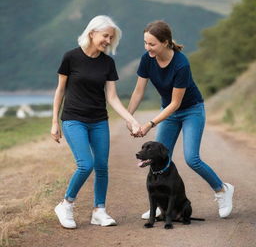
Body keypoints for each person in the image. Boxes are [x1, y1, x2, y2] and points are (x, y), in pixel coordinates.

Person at [127, 20, 234, 219]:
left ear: (166, 42)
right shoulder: (147, 59)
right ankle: (161, 205)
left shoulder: (181, 64)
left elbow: (175, 104)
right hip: (169, 111)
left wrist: (150, 123)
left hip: (191, 110)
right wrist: (129, 116)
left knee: (191, 158)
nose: (147, 48)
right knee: (159, 158)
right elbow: (139, 91)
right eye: (145, 43)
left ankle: (222, 190)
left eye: (152, 44)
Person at [51, 15, 141, 229]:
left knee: (101, 167)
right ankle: (66, 204)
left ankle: (99, 211)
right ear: (91, 33)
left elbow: (112, 97)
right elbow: (60, 90)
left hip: (99, 120)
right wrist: (54, 121)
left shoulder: (108, 63)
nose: (108, 41)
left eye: (111, 38)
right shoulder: (71, 57)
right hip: (74, 120)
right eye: (105, 36)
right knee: (86, 164)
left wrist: (131, 120)